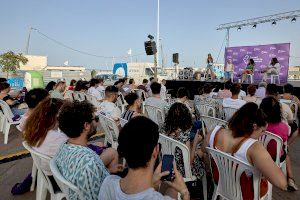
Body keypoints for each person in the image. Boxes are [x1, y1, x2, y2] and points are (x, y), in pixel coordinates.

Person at [205, 103, 288, 199]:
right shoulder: (254, 147)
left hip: (221, 183)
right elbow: (281, 183)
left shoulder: (214, 131)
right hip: (245, 193)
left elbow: (204, 149)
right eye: (262, 131)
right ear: (254, 126)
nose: (262, 135)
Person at [99, 116, 190, 200]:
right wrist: (184, 193)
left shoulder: (108, 183)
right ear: (155, 150)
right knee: (172, 189)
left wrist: (152, 183)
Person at [55, 101, 121, 200]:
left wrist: (107, 170)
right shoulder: (89, 163)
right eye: (96, 119)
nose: (97, 123)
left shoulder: (63, 147)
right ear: (86, 125)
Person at [260, 97, 298, 191]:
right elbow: (285, 138)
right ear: (278, 111)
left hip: (261, 155)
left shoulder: (258, 125)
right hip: (276, 157)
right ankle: (290, 178)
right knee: (286, 153)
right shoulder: (284, 127)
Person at [163, 103, 205, 180]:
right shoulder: (184, 135)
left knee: (198, 152)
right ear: (186, 117)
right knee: (202, 152)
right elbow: (189, 163)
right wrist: (195, 142)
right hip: (183, 171)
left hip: (169, 166)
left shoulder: (163, 131)